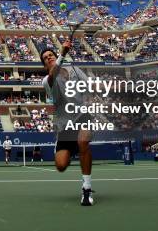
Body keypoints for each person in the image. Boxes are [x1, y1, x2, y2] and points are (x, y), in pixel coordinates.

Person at [41, 42, 94, 206]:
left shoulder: (74, 71)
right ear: (44, 66)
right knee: (61, 165)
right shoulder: (47, 81)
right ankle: (69, 149)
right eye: (45, 58)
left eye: (51, 55)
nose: (49, 57)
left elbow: (89, 86)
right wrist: (62, 54)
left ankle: (87, 188)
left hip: (82, 116)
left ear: (55, 57)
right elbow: (53, 75)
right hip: (64, 126)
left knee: (83, 141)